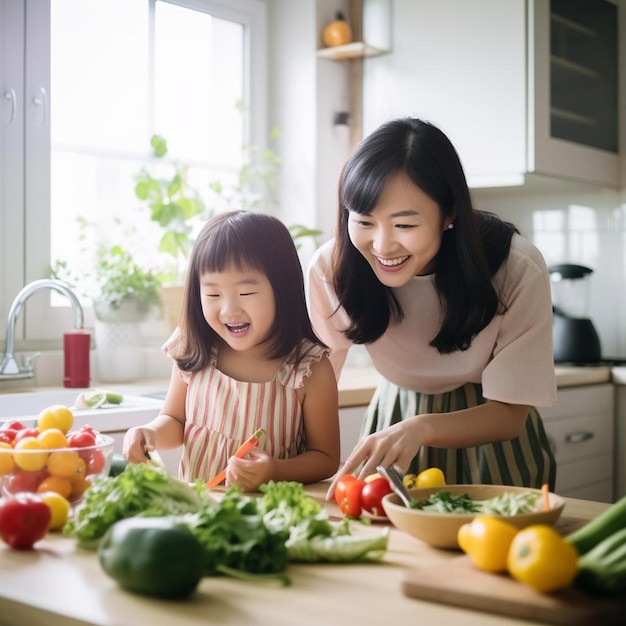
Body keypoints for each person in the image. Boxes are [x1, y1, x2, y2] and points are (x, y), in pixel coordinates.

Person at [306, 117, 557, 499]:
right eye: (364, 222)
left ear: (450, 213)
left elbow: (509, 414)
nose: (382, 245)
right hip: (395, 414)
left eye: (404, 225)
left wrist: (423, 428)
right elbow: (316, 379)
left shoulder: (514, 268)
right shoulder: (334, 268)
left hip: (490, 434)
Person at [124, 210, 340, 491]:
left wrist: (274, 470)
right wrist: (149, 433)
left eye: (246, 293)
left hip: (268, 517)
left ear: (283, 289)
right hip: (198, 512)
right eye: (213, 294)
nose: (229, 310)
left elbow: (326, 458)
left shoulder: (308, 368)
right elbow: (174, 421)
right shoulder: (194, 348)